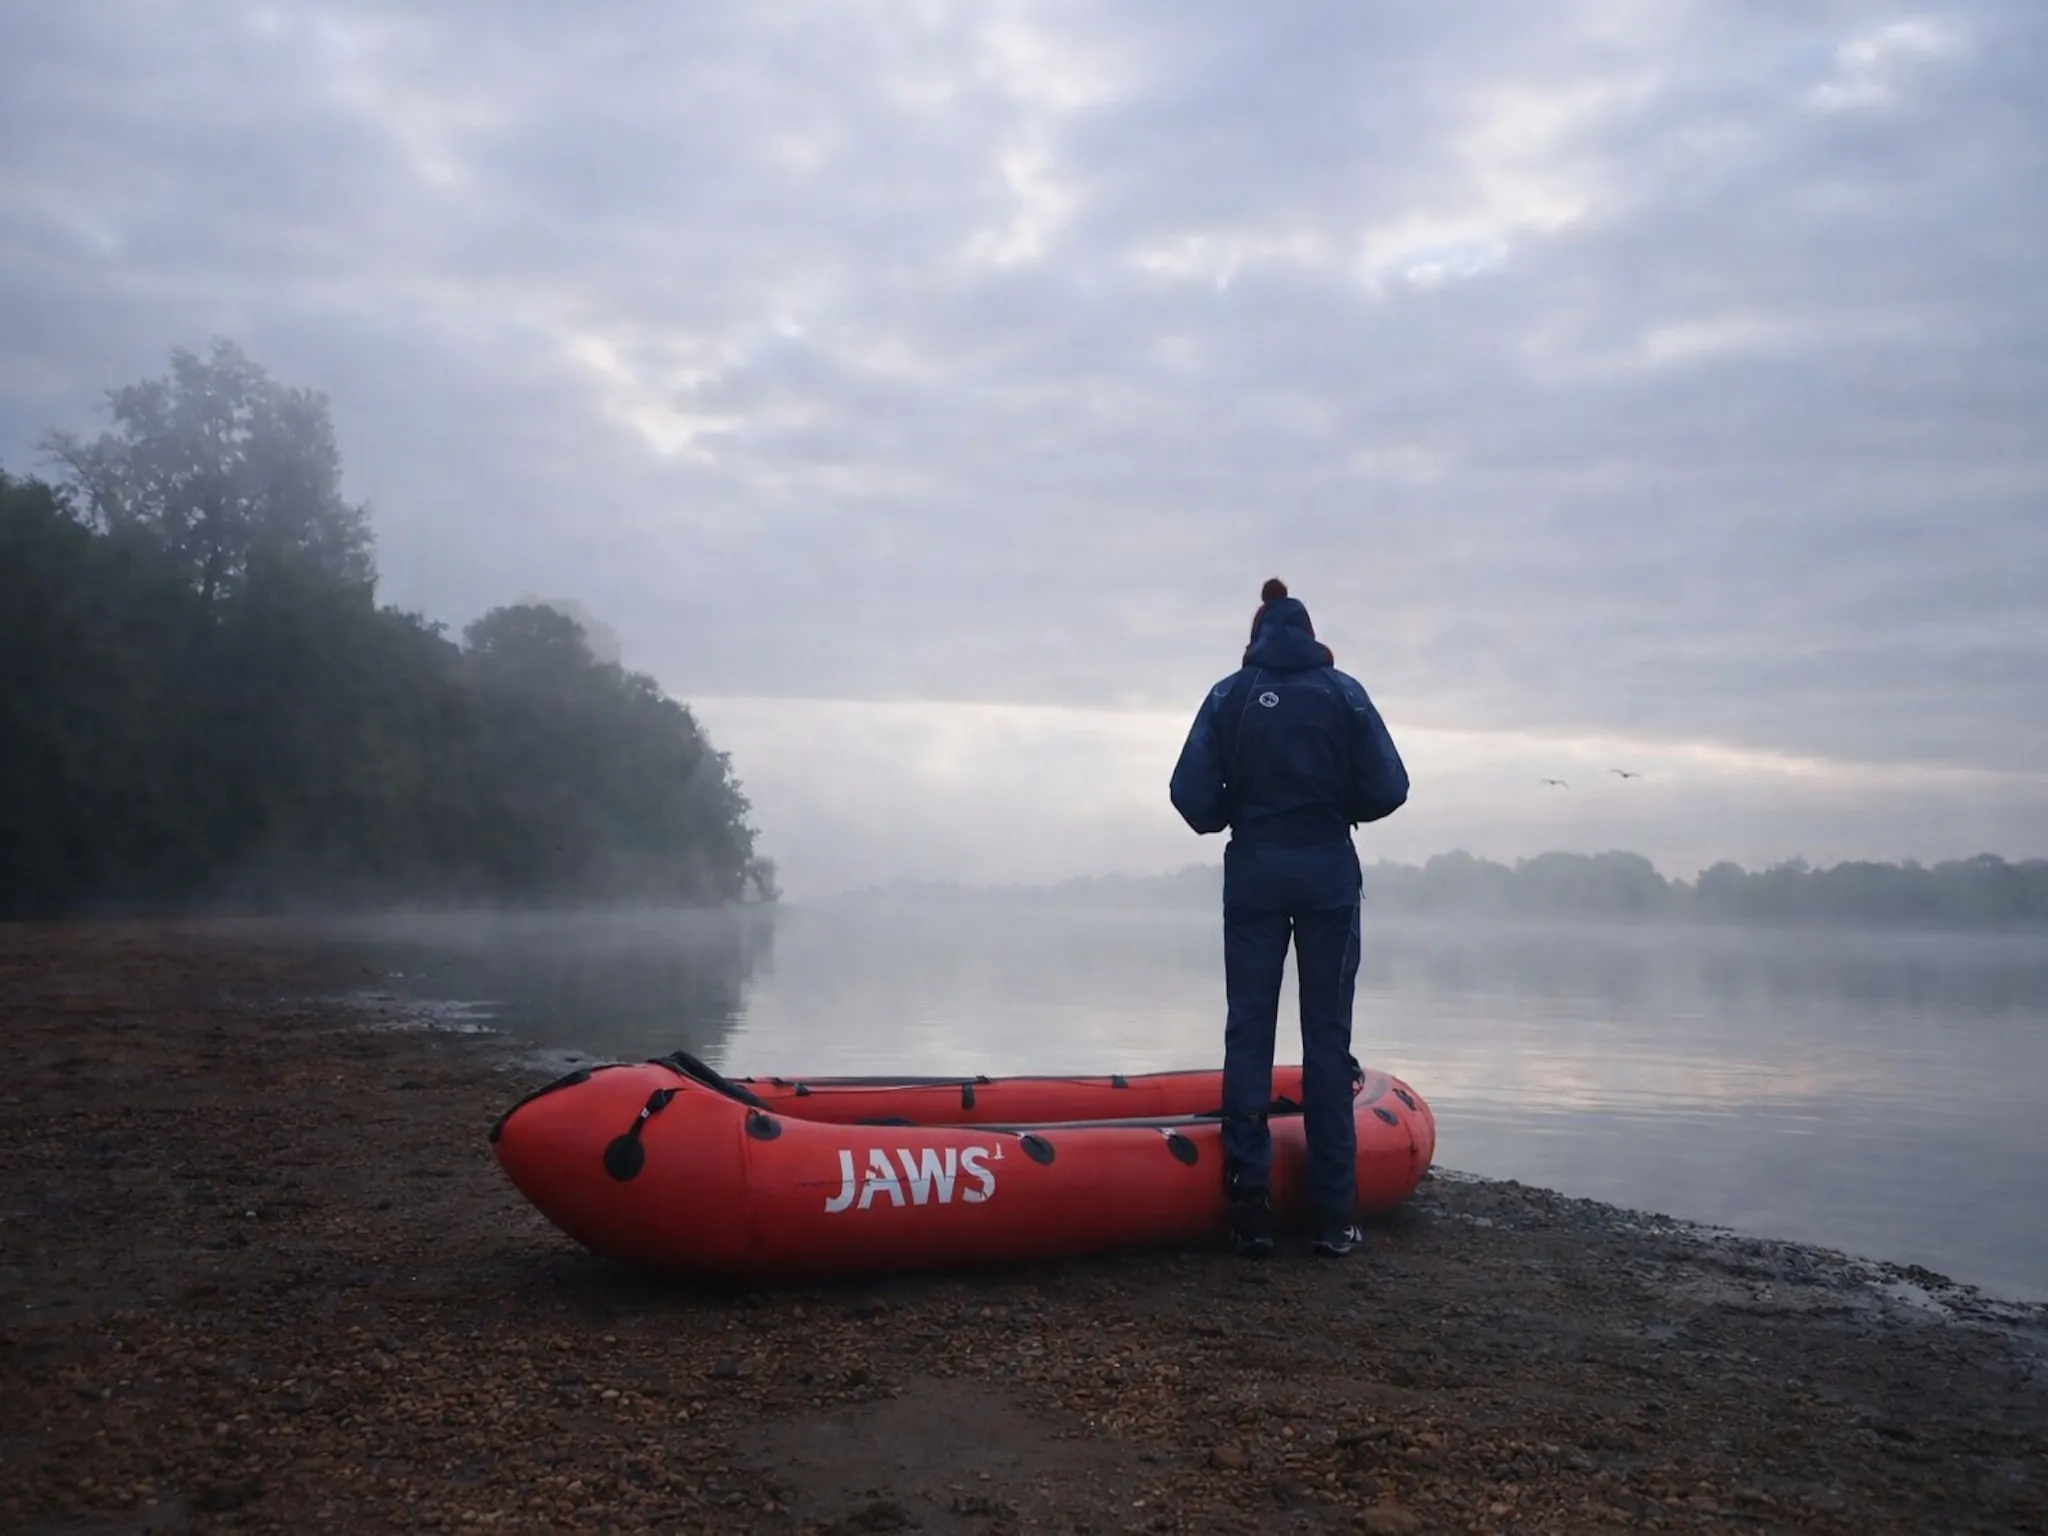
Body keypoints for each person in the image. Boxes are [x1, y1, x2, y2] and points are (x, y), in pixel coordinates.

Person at [1169, 578, 1410, 1258]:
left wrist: (1233, 815)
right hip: (1328, 871)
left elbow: (1190, 797)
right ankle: (1335, 1217)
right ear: (1310, 636)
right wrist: (1341, 808)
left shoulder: (1230, 695)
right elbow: (1390, 788)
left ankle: (1250, 1207)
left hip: (1254, 875)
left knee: (1249, 1032)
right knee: (1326, 1039)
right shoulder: (1345, 693)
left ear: (1256, 637)